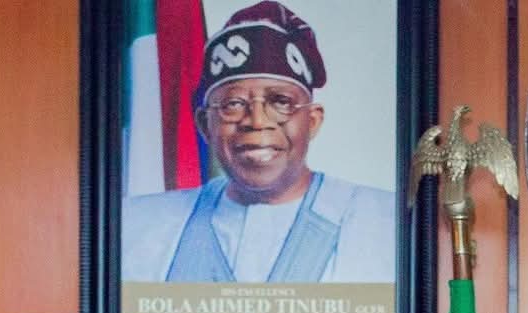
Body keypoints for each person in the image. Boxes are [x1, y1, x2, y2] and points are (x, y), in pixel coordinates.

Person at [120, 2, 397, 285]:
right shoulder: (137, 227)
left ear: (312, 121)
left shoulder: (387, 224)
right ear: (205, 125)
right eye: (233, 104)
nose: (257, 120)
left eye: (281, 102)